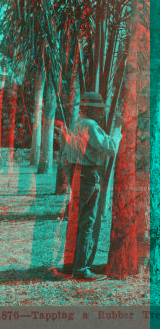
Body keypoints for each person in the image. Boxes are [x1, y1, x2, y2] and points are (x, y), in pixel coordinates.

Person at [53, 92, 122, 281]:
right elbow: (110, 147)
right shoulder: (91, 125)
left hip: (78, 174)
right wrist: (117, 130)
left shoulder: (78, 123)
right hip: (89, 175)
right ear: (90, 108)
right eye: (97, 109)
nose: (100, 112)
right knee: (87, 222)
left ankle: (70, 264)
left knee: (76, 221)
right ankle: (81, 268)